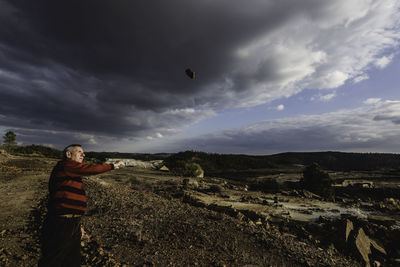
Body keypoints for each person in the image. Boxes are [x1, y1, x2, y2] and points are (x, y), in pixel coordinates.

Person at [38, 144, 125, 267]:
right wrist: (112, 166)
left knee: (72, 260)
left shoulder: (71, 171)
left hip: (71, 221)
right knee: (53, 259)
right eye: (79, 152)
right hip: (62, 222)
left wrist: (78, 223)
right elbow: (90, 169)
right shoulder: (65, 165)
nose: (83, 155)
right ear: (68, 154)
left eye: (83, 153)